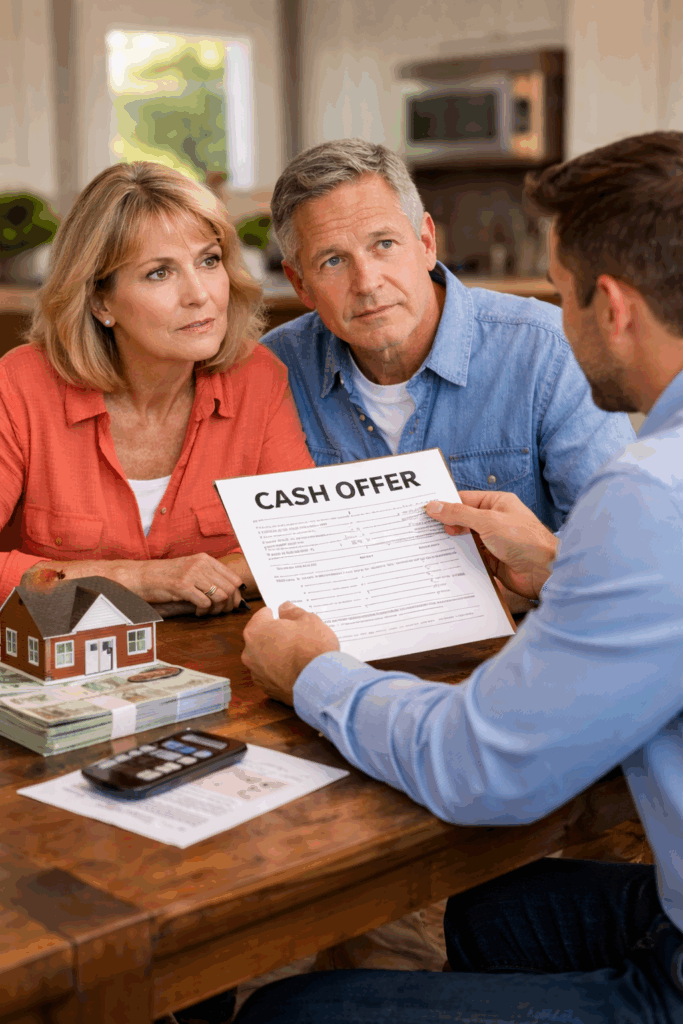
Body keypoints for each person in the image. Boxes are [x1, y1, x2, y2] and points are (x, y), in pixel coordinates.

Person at [236, 131, 683, 1022]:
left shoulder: (647, 493)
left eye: (556, 291)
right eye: (333, 260)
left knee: (288, 1013)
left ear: (610, 307)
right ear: (299, 278)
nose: (553, 320)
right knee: (487, 914)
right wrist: (557, 565)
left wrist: (310, 673)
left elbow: (479, 766)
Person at [261, 138, 635, 535]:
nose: (367, 283)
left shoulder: (549, 352)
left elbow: (622, 543)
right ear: (300, 284)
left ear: (426, 242)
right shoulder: (270, 373)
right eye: (333, 261)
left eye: (384, 244)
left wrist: (535, 563)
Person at [0, 162, 314, 614]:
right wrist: (140, 580)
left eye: (209, 261)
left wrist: (205, 580)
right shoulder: (20, 386)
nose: (199, 294)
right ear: (100, 300)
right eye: (159, 273)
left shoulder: (257, 377)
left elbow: (298, 541)